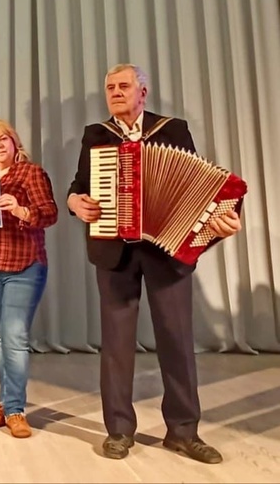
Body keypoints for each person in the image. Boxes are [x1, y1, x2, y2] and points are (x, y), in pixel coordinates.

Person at [66, 63, 242, 463]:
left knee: (177, 340)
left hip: (167, 251)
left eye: (123, 86)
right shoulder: (96, 135)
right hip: (114, 251)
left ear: (142, 92)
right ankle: (118, 431)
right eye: (110, 87)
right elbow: (80, 186)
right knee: (116, 345)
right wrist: (75, 202)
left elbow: (199, 187)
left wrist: (220, 219)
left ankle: (183, 431)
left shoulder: (173, 130)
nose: (116, 92)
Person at [0, 119, 58, 438]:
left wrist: (21, 210)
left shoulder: (31, 173)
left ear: (14, 142)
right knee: (0, 338)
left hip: (24, 265)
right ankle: (8, 403)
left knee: (15, 337)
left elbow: (50, 213)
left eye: (3, 138)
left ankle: (15, 410)